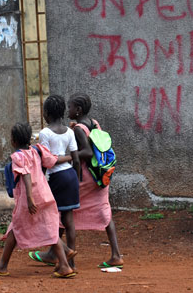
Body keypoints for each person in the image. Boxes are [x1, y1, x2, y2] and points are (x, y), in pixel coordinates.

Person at [33, 93, 124, 268]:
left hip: (85, 177)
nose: (68, 109)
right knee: (104, 210)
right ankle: (116, 254)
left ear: (78, 110)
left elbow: (88, 152)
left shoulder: (78, 129)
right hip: (99, 176)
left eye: (71, 107)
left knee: (63, 210)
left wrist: (65, 157)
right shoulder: (93, 123)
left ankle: (56, 253)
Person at [0, 122, 76, 278]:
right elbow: (53, 160)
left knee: (15, 227)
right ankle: (65, 262)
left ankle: (2, 265)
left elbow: (25, 174)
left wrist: (30, 197)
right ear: (30, 139)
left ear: (13, 141)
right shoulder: (37, 150)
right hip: (45, 194)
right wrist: (71, 157)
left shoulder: (17, 156)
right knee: (50, 228)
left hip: (30, 199)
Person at [29, 95, 80, 270]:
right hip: (71, 175)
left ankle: (60, 254)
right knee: (69, 219)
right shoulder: (70, 132)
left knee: (51, 218)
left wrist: (40, 181)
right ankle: (70, 261)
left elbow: (45, 159)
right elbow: (76, 158)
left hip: (56, 177)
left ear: (47, 114)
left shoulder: (45, 133)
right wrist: (78, 179)